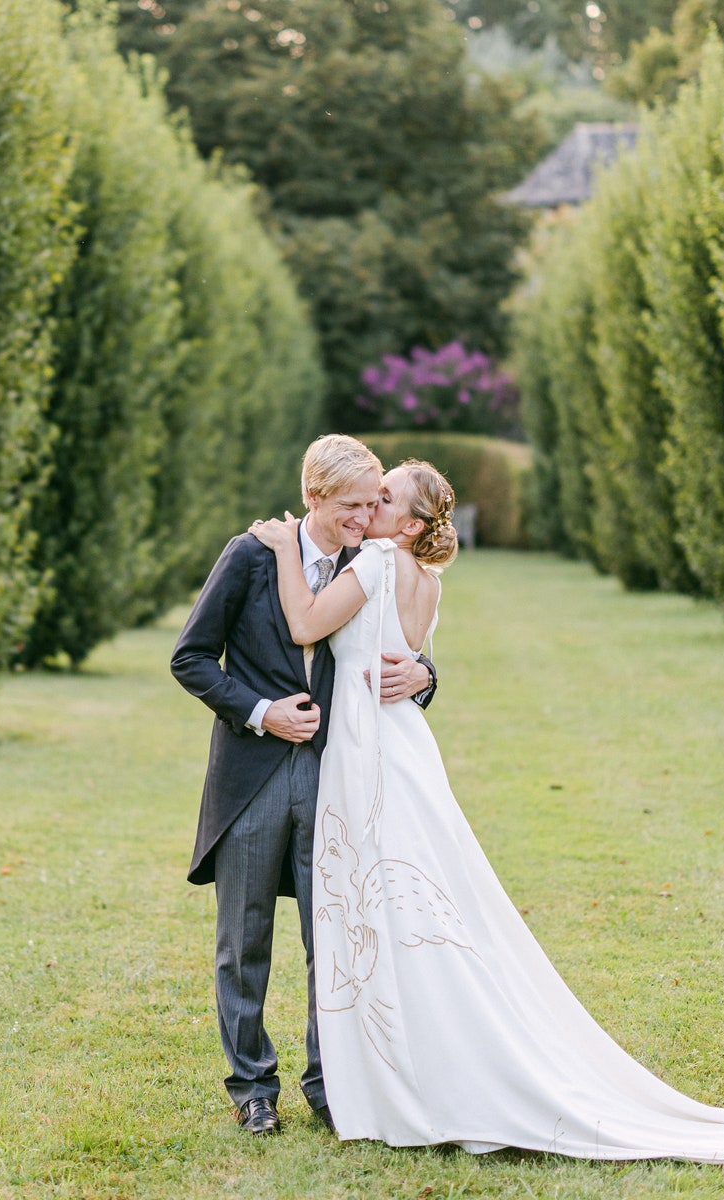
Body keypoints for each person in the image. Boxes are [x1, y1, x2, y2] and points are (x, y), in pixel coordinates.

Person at [247, 457, 724, 1162]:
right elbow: (407, 655)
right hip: (404, 752)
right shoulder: (427, 582)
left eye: (384, 497)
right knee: (414, 910)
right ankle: (387, 1066)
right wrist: (422, 671)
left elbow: (306, 625)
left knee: (387, 911)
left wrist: (282, 549)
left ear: (407, 521)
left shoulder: (372, 563)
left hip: (371, 756)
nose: (369, 506)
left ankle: (405, 1076)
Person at [169, 435, 436, 1137]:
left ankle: (329, 1081)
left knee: (339, 937)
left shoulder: (370, 558)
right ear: (312, 497)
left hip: (336, 780)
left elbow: (404, 648)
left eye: (371, 503)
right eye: (350, 505)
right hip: (251, 779)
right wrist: (262, 712)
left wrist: (427, 677)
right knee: (244, 939)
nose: (364, 515)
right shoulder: (251, 555)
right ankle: (252, 1086)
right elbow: (191, 657)